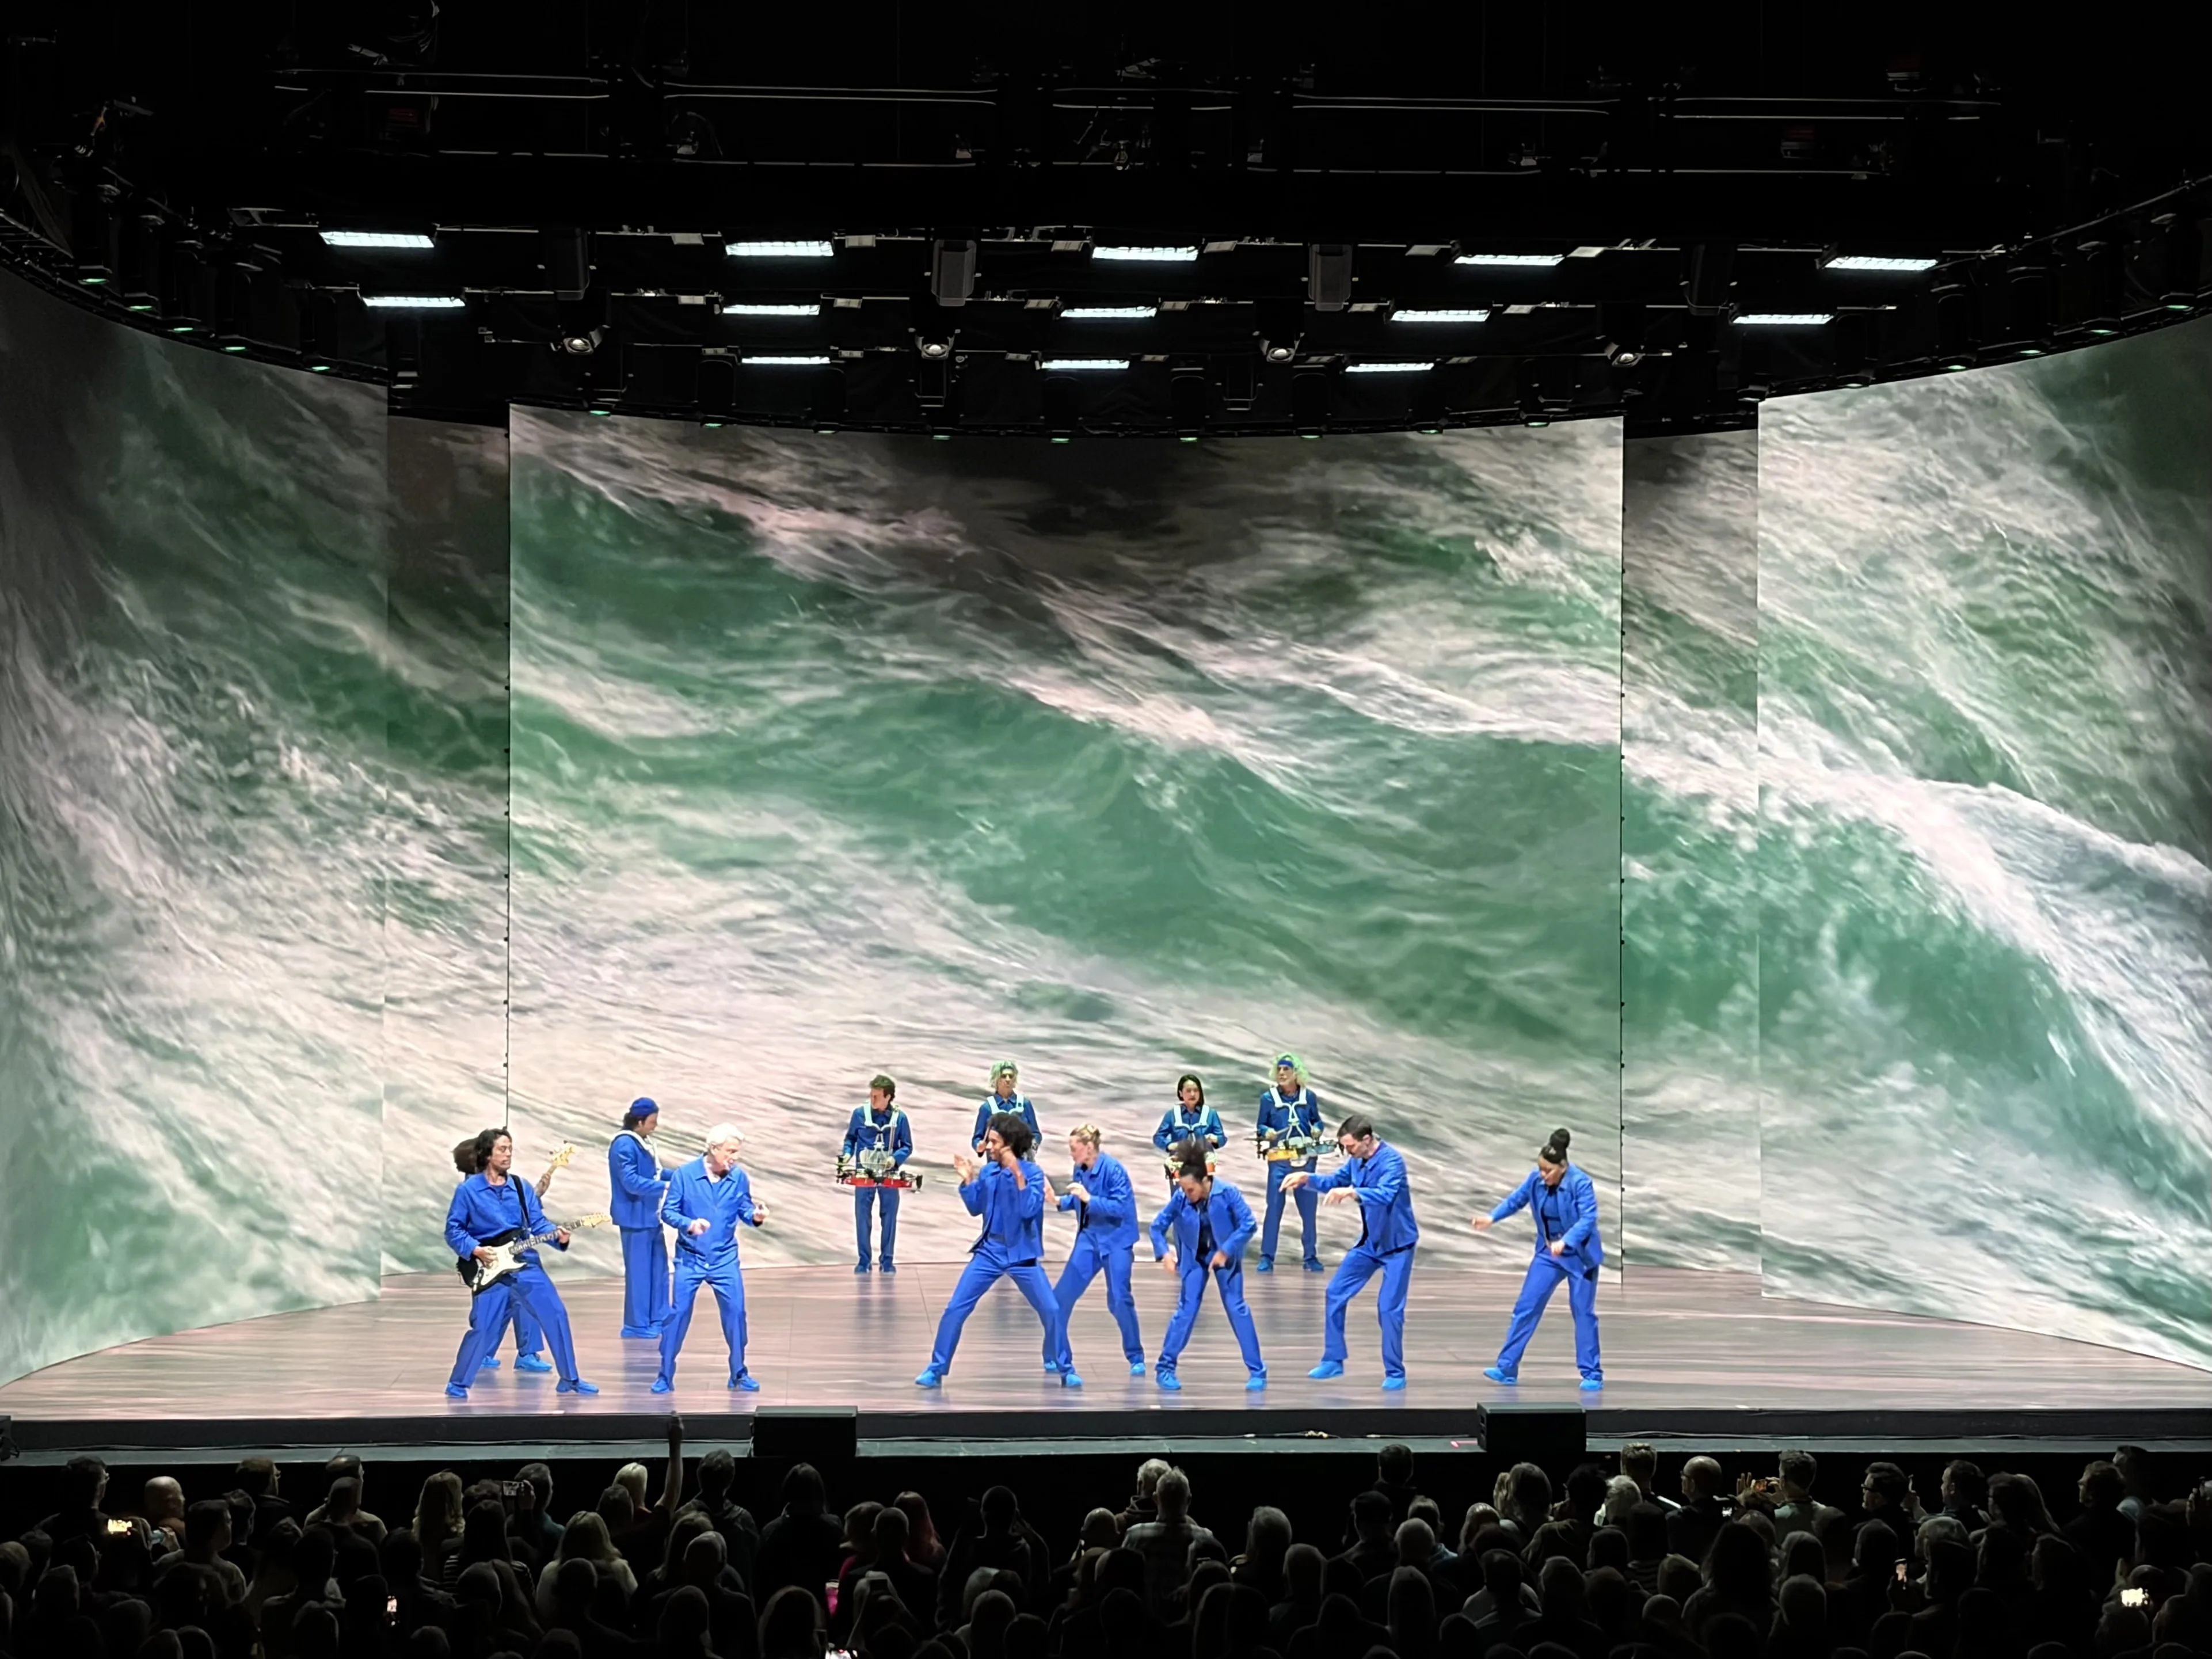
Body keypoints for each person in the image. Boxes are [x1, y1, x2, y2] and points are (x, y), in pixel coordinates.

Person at [916, 1112, 1075, 1388]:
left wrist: (1017, 1173)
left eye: (993, 1142)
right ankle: (936, 1368)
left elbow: (1029, 1210)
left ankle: (1065, 1366)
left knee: (1051, 1310)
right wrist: (967, 1180)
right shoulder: (989, 1171)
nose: (987, 1147)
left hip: (1021, 1256)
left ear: (1010, 1145)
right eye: (988, 1141)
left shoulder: (1035, 1175)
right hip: (990, 1251)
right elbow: (976, 1208)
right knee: (955, 1308)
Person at [442, 1127, 596, 1398]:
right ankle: (458, 1383)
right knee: (483, 1328)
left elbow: (537, 1224)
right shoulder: (468, 1191)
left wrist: (557, 1237)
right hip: (491, 1269)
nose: (508, 1154)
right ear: (487, 1154)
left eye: (511, 1149)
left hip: (526, 1265)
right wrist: (476, 1250)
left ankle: (570, 1379)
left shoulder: (520, 1187)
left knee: (556, 1315)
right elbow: (454, 1230)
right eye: (503, 1149)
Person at [1280, 1112, 1421, 1389]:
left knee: (1389, 1310)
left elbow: (1385, 1194)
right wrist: (1307, 1178)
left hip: (1398, 1247)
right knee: (1335, 1293)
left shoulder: (1392, 1161)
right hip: (1371, 1243)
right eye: (1345, 1147)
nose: (1347, 1151)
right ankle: (1334, 1360)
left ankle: (1395, 1373)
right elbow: (1335, 1181)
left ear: (1367, 1140)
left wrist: (1354, 1193)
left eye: (1351, 1146)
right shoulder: (1357, 1160)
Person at [1474, 1127, 1603, 1390]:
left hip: (1580, 1257)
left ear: (1563, 1167)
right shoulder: (1535, 1179)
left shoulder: (1581, 1183)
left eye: (1549, 1171)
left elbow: (1588, 1219)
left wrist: (1566, 1241)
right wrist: (1492, 1217)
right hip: (1548, 1254)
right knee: (1527, 1306)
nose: (1543, 1176)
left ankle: (1592, 1373)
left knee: (1583, 1313)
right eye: (1541, 1169)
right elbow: (1516, 1201)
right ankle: (1507, 1367)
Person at [655, 1123, 770, 1393]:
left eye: (737, 1152)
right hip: (691, 1258)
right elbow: (668, 1212)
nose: (735, 1157)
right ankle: (665, 1374)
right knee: (679, 1314)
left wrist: (756, 1216)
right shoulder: (685, 1175)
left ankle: (739, 1373)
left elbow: (744, 1208)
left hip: (725, 1259)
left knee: (737, 1313)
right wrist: (689, 1224)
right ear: (713, 1148)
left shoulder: (739, 1177)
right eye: (730, 1151)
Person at [1147, 1142, 1266, 1392]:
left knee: (1237, 1308)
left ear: (1204, 1181)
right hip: (1194, 1258)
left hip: (1225, 1256)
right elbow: (1157, 1226)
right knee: (1186, 1310)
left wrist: (1226, 1250)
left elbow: (1249, 1225)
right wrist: (1164, 1253)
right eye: (1183, 1188)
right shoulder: (1181, 1198)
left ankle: (1258, 1371)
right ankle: (1165, 1368)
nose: (1186, 1194)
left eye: (1190, 1189)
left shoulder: (1228, 1193)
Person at [451, 1136, 560, 1376]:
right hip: (490, 1260)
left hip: (511, 1257)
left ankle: (504, 1353)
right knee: (507, 1305)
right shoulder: (474, 1189)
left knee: (514, 1304)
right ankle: (513, 1353)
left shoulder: (486, 1183)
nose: (506, 1155)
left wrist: (535, 1194)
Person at [1047, 1125, 1147, 1379]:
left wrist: (1090, 1199)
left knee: (1119, 1299)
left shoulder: (1114, 1171)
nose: (1071, 1154)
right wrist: (1059, 1201)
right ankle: (1055, 1353)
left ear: (1088, 1148)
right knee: (1061, 1298)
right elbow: (1079, 1199)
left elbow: (1120, 1209)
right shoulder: (1080, 1170)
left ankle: (1135, 1356)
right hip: (1090, 1238)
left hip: (1117, 1240)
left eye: (1074, 1148)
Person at [1254, 1053, 1325, 1274]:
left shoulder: (1309, 1097)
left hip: (1306, 1160)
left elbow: (1317, 1120)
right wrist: (1268, 1132)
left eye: (1286, 1069)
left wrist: (1318, 1129)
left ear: (1297, 1073)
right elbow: (1260, 1126)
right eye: (1279, 1070)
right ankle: (1267, 1257)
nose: (1282, 1073)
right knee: (1274, 1208)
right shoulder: (1268, 1099)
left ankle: (1310, 1257)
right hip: (1280, 1161)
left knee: (1308, 1211)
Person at [609, 1097, 673, 1338]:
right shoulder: (624, 1145)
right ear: (640, 1121)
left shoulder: (644, 1143)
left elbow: (656, 1173)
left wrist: (682, 1176)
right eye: (652, 1122)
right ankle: (636, 1324)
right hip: (634, 1218)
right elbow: (631, 1182)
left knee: (658, 1269)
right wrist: (666, 1188)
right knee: (639, 1273)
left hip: (650, 1216)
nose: (655, 1126)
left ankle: (658, 1316)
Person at [845, 1074, 913, 1275]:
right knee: (862, 1217)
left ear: (889, 1097)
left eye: (876, 1096)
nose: (872, 1099)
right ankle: (864, 1261)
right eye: (871, 1095)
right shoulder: (859, 1114)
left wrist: (895, 1158)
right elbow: (850, 1139)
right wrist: (847, 1154)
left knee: (889, 1217)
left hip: (889, 1175)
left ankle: (887, 1261)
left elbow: (907, 1146)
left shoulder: (900, 1118)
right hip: (863, 1175)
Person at [1152, 1074, 1226, 1193]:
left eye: (1196, 1091)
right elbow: (1158, 1137)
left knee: (1204, 1198)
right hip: (1180, 1163)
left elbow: (1222, 1139)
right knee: (1180, 1198)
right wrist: (1169, 1145)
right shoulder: (1172, 1115)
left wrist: (1215, 1139)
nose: (1193, 1094)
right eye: (1189, 1091)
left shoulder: (1210, 1114)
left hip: (1203, 1163)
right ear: (1181, 1093)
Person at [973, 1061, 1041, 1152]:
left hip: (1022, 1160)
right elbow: (977, 1138)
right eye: (1004, 1076)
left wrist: (1033, 1144)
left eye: (1011, 1076)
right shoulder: (987, 1108)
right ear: (996, 1079)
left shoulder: (1025, 1104)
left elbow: (1036, 1133)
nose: (1008, 1079)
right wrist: (979, 1145)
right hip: (996, 1161)